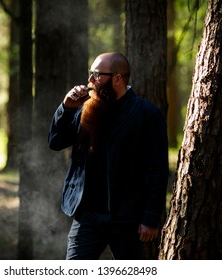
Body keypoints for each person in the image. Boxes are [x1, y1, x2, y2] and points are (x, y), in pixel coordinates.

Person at [48, 52, 169, 260]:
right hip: (87, 216)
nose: (90, 80)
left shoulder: (147, 114)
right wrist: (66, 109)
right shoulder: (86, 107)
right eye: (90, 73)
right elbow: (56, 142)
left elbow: (158, 170)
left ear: (117, 79)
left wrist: (150, 218)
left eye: (96, 75)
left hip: (128, 218)